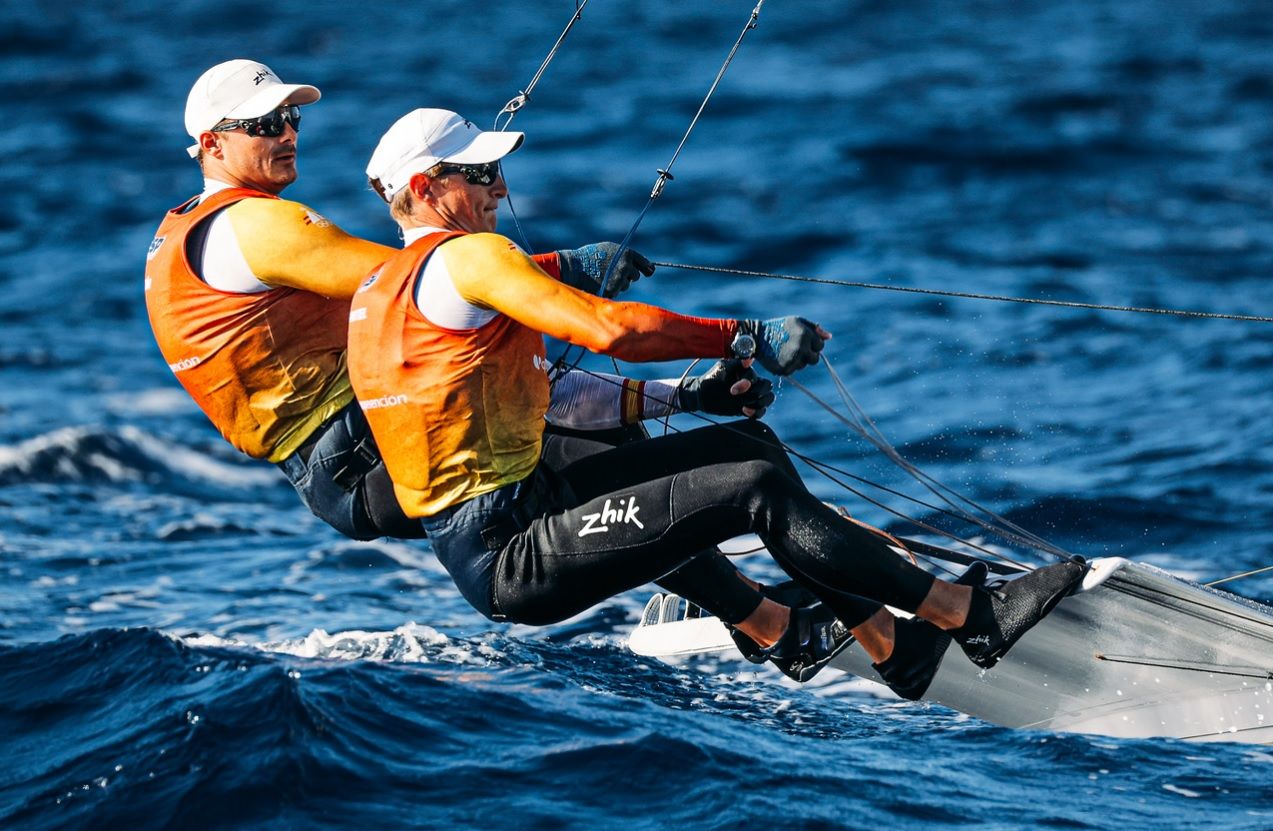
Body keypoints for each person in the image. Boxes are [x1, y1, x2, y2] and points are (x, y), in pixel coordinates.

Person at [143, 59, 860, 686]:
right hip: (357, 454)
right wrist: (560, 269)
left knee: (559, 429)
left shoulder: (180, 235)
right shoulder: (254, 225)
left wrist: (666, 385)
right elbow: (412, 280)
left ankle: (756, 611)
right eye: (266, 124)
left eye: (291, 117)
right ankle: (769, 615)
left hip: (335, 470)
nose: (288, 132)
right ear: (212, 144)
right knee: (569, 441)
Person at [348, 107, 1086, 688]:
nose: (499, 190)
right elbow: (610, 328)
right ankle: (967, 616)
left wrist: (688, 395)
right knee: (755, 486)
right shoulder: (468, 258)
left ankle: (886, 643)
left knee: (747, 448)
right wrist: (743, 333)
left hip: (526, 506)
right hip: (510, 551)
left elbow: (551, 396)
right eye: (481, 175)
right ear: (425, 187)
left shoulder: (382, 289)